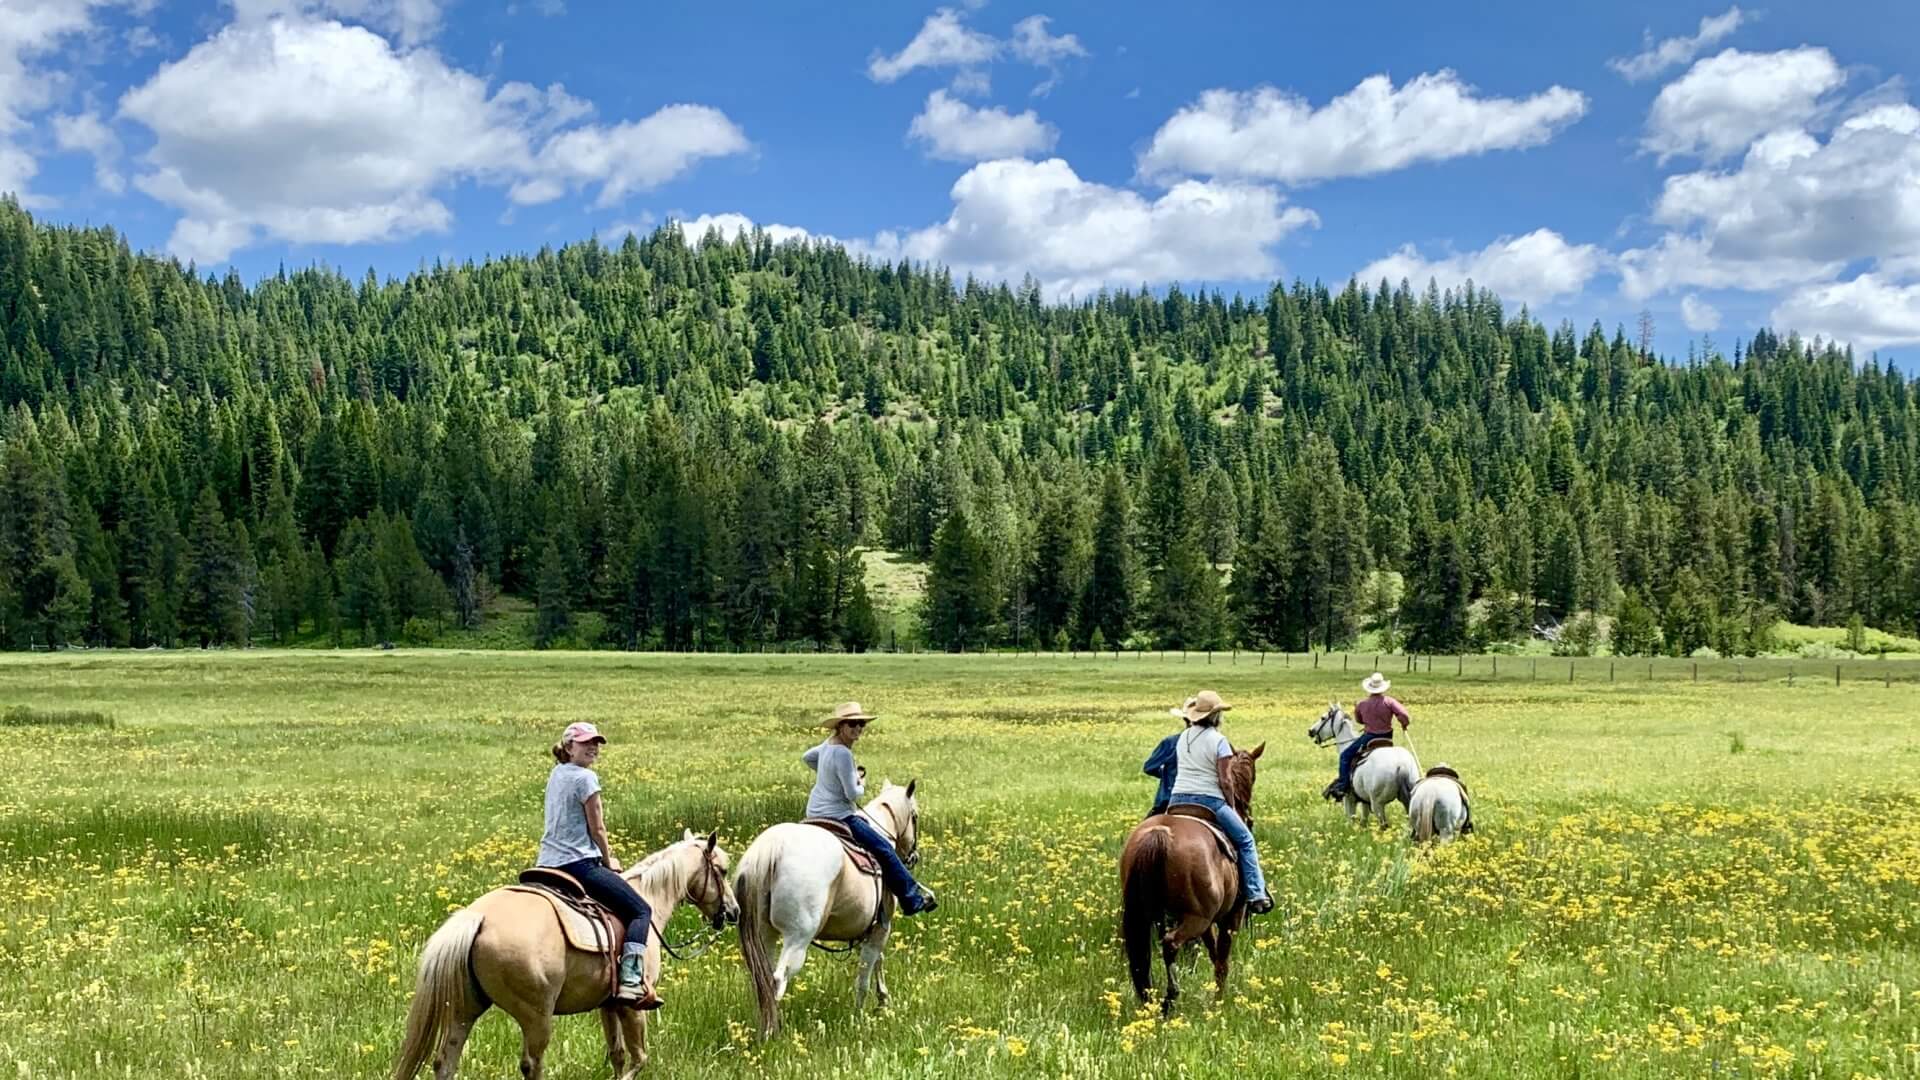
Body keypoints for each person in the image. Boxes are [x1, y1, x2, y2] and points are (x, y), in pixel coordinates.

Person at [536, 721, 662, 1009]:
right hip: (579, 864)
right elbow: (598, 829)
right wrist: (609, 860)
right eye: (585, 743)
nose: (593, 747)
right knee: (641, 910)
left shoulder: (557, 773)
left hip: (546, 864)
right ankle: (631, 979)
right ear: (569, 747)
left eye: (596, 742)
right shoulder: (586, 779)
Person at [802, 702, 938, 916]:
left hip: (813, 813)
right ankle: (911, 899)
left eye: (861, 724)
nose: (858, 729)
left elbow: (807, 757)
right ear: (841, 726)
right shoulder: (844, 754)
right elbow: (852, 795)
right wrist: (859, 782)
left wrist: (828, 774)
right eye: (853, 724)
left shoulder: (828, 744)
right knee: (884, 848)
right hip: (840, 816)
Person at [1164, 690, 1274, 915]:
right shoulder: (1219, 740)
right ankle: (1256, 893)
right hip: (1209, 800)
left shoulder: (1182, 737)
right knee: (1245, 840)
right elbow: (1225, 780)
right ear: (1216, 717)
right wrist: (1232, 805)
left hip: (1176, 801)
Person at [1327, 672, 1410, 800]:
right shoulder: (1390, 701)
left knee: (1345, 756)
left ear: (1370, 688)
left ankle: (1342, 786)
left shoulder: (1362, 704)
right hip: (1387, 738)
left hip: (1369, 737)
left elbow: (1359, 720)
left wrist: (1368, 721)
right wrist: (1403, 724)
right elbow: (1404, 714)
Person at [1143, 702, 1191, 817]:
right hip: (1201, 798)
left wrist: (1166, 773)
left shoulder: (1170, 742)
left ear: (1185, 720)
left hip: (1168, 798)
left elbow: (1149, 767)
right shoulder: (1212, 742)